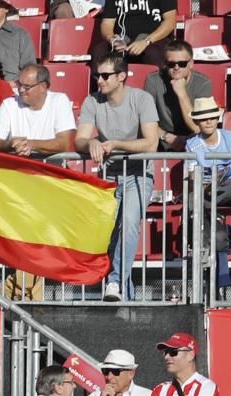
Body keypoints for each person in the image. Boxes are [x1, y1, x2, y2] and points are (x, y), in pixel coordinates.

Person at [74, 54, 160, 302]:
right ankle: (125, 293)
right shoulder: (92, 101)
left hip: (138, 174)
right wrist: (91, 141)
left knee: (130, 224)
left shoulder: (141, 99)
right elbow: (79, 138)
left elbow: (151, 143)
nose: (99, 80)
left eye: (105, 75)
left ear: (121, 76)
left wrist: (116, 144)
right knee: (113, 236)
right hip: (109, 176)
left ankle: (114, 282)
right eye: (97, 75)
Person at [0, 64, 76, 157]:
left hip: (50, 168)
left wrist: (31, 144)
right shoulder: (8, 104)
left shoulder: (59, 101)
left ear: (43, 87)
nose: (21, 90)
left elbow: (65, 144)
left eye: (27, 87)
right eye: (19, 84)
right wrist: (10, 145)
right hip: (17, 167)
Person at [186, 97, 231, 214]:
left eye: (212, 118)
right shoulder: (191, 145)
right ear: (196, 121)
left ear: (217, 119)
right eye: (203, 119)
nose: (209, 122)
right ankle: (200, 231)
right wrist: (201, 187)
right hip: (206, 189)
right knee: (193, 199)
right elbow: (192, 175)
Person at [143, 41, 211, 151]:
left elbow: (197, 127)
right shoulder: (153, 80)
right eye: (171, 64)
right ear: (165, 64)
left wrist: (182, 93)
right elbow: (146, 121)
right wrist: (167, 137)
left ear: (191, 63)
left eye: (182, 63)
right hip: (162, 137)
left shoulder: (203, 83)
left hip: (195, 138)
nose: (176, 67)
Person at [90, 0, 178, 69]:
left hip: (154, 39)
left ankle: (158, 89)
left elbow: (170, 22)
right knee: (100, 51)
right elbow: (107, 23)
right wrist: (112, 39)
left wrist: (146, 41)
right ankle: (101, 90)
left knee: (154, 53)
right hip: (123, 40)